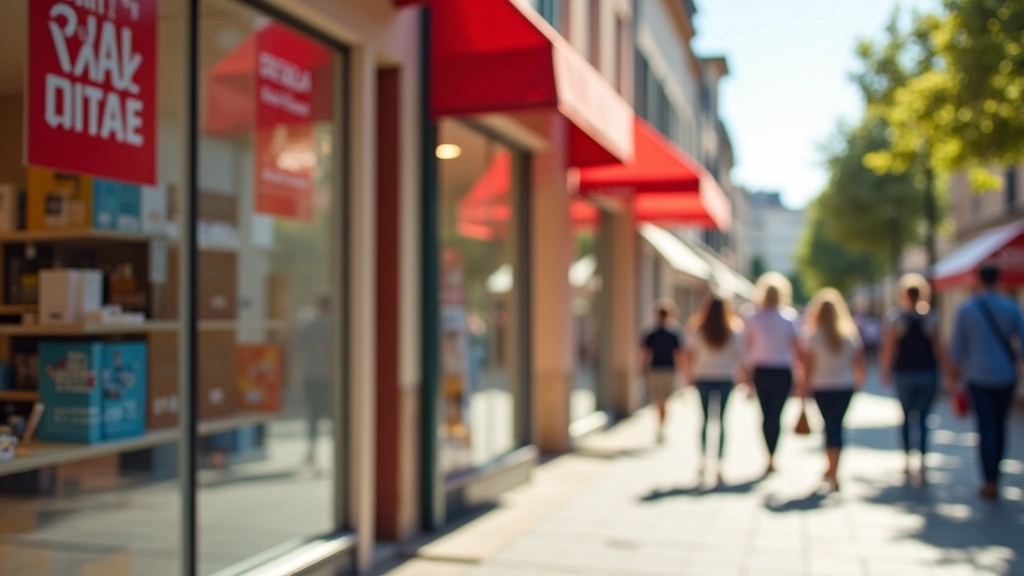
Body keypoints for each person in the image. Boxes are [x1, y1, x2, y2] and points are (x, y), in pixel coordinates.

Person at [949, 264, 1024, 500]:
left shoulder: (966, 309)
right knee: (1000, 427)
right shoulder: (1011, 307)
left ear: (978, 280)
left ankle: (988, 479)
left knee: (985, 427)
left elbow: (957, 349)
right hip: (1005, 376)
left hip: (978, 376)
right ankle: (996, 477)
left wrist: (954, 377)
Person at [879, 273, 946, 481]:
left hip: (905, 373)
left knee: (907, 417)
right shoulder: (930, 318)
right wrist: (948, 371)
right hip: (927, 373)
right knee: (924, 419)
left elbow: (889, 347)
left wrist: (885, 370)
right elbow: (938, 348)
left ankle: (908, 459)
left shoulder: (897, 318)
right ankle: (923, 463)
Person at [799, 288, 866, 492]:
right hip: (844, 386)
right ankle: (834, 470)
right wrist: (859, 382)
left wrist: (803, 388)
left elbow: (808, 367)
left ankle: (831, 468)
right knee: (838, 426)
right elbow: (859, 363)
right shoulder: (849, 334)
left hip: (822, 386)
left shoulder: (813, 335)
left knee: (829, 426)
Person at [744, 272, 801, 474]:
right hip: (782, 372)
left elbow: (747, 348)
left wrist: (746, 379)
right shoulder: (789, 317)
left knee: (766, 414)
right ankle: (772, 455)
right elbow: (796, 349)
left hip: (761, 371)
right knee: (776, 415)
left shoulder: (753, 316)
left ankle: (768, 455)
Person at [685, 293, 746, 482]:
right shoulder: (732, 331)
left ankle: (703, 460)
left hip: (703, 377)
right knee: (722, 422)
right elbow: (739, 357)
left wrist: (689, 377)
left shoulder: (698, 330)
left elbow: (691, 355)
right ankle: (719, 464)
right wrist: (745, 380)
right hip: (725, 378)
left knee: (704, 421)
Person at [296, 292, 335, 469]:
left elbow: (300, 349)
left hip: (311, 377)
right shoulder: (335, 327)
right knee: (334, 416)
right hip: (329, 378)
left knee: (313, 417)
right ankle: (338, 452)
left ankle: (312, 452)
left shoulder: (309, 326)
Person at [640, 300, 684, 444]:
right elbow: (679, 355)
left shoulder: (663, 333)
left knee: (659, 400)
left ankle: (660, 427)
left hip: (657, 369)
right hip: (666, 370)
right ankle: (661, 427)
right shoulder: (664, 333)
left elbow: (645, 354)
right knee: (662, 400)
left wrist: (642, 368)